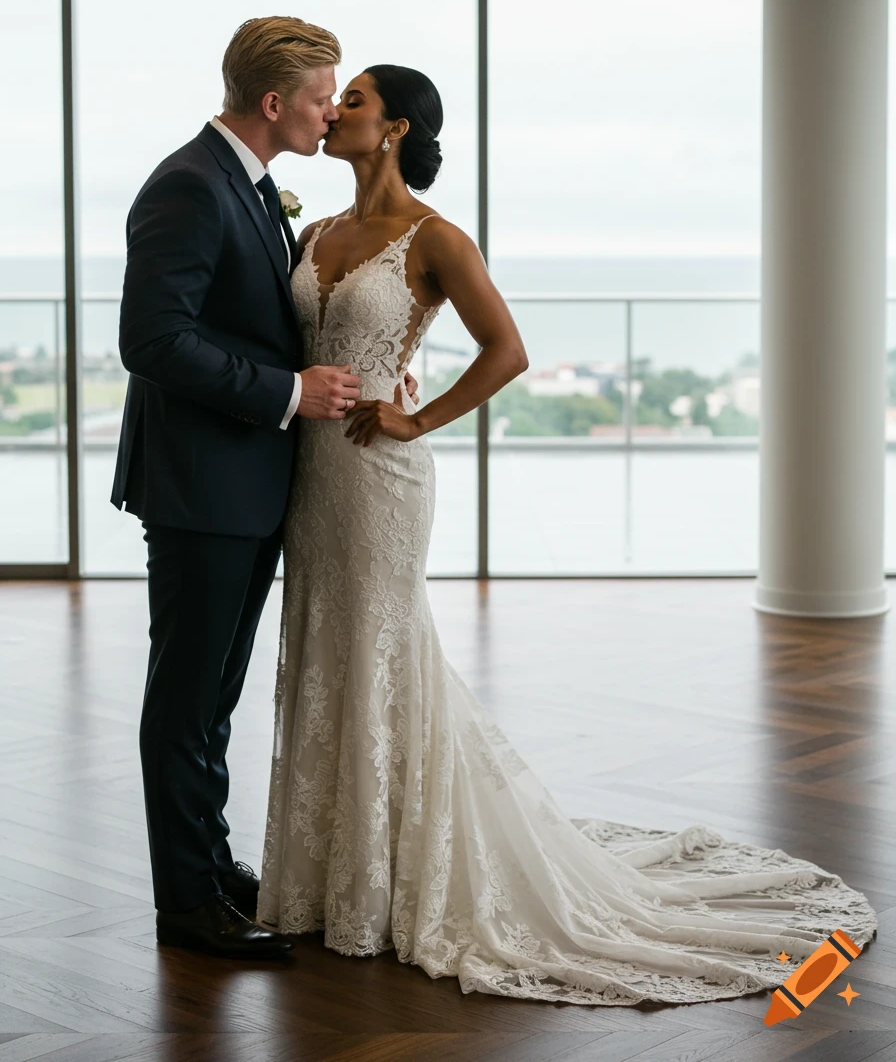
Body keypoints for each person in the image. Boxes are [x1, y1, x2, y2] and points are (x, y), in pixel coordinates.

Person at [258, 64, 876, 1004]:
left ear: (396, 129)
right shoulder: (314, 232)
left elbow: (508, 351)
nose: (335, 110)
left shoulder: (436, 239)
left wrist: (416, 419)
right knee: (322, 647)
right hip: (311, 477)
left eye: (356, 101)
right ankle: (332, 877)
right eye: (336, 99)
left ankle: (389, 883)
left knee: (383, 648)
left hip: (382, 475)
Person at [112, 18, 420, 959]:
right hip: (203, 488)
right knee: (188, 698)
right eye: (324, 98)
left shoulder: (244, 185)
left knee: (214, 697)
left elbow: (260, 321)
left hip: (244, 486)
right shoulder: (188, 185)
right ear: (276, 103)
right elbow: (152, 341)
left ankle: (211, 868)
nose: (331, 116)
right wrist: (289, 391)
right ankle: (187, 905)